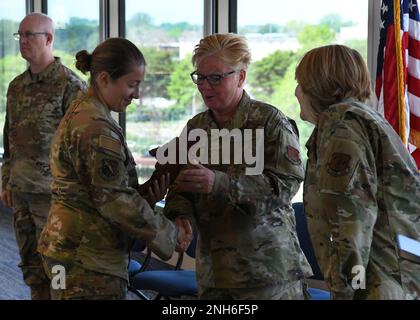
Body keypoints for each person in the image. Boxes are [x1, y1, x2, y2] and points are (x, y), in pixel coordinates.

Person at [37, 37, 192, 300]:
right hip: (86, 258)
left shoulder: (86, 113)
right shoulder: (96, 127)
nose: (137, 94)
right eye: (131, 85)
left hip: (69, 251)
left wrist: (144, 195)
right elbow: (115, 200)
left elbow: (97, 189)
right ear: (105, 79)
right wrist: (170, 233)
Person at [163, 33, 313, 300]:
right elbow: (181, 184)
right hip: (215, 275)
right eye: (200, 77)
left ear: (241, 76)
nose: (205, 86)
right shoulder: (197, 127)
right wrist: (180, 214)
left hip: (268, 276)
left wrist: (219, 183)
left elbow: (284, 187)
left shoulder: (269, 122)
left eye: (216, 78)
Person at [295, 44, 420, 299]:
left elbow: (351, 223)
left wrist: (345, 290)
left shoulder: (342, 126)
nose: (296, 92)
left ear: (317, 85)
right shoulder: (362, 118)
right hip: (397, 274)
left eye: (300, 82)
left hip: (379, 283)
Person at [1, 13, 87, 300]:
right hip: (22, 193)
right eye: (20, 35)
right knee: (33, 270)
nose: (23, 41)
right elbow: (9, 138)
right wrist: (5, 181)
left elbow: (83, 147)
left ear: (48, 39)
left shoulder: (71, 86)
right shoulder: (16, 86)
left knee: (60, 273)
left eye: (30, 35)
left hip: (56, 199)